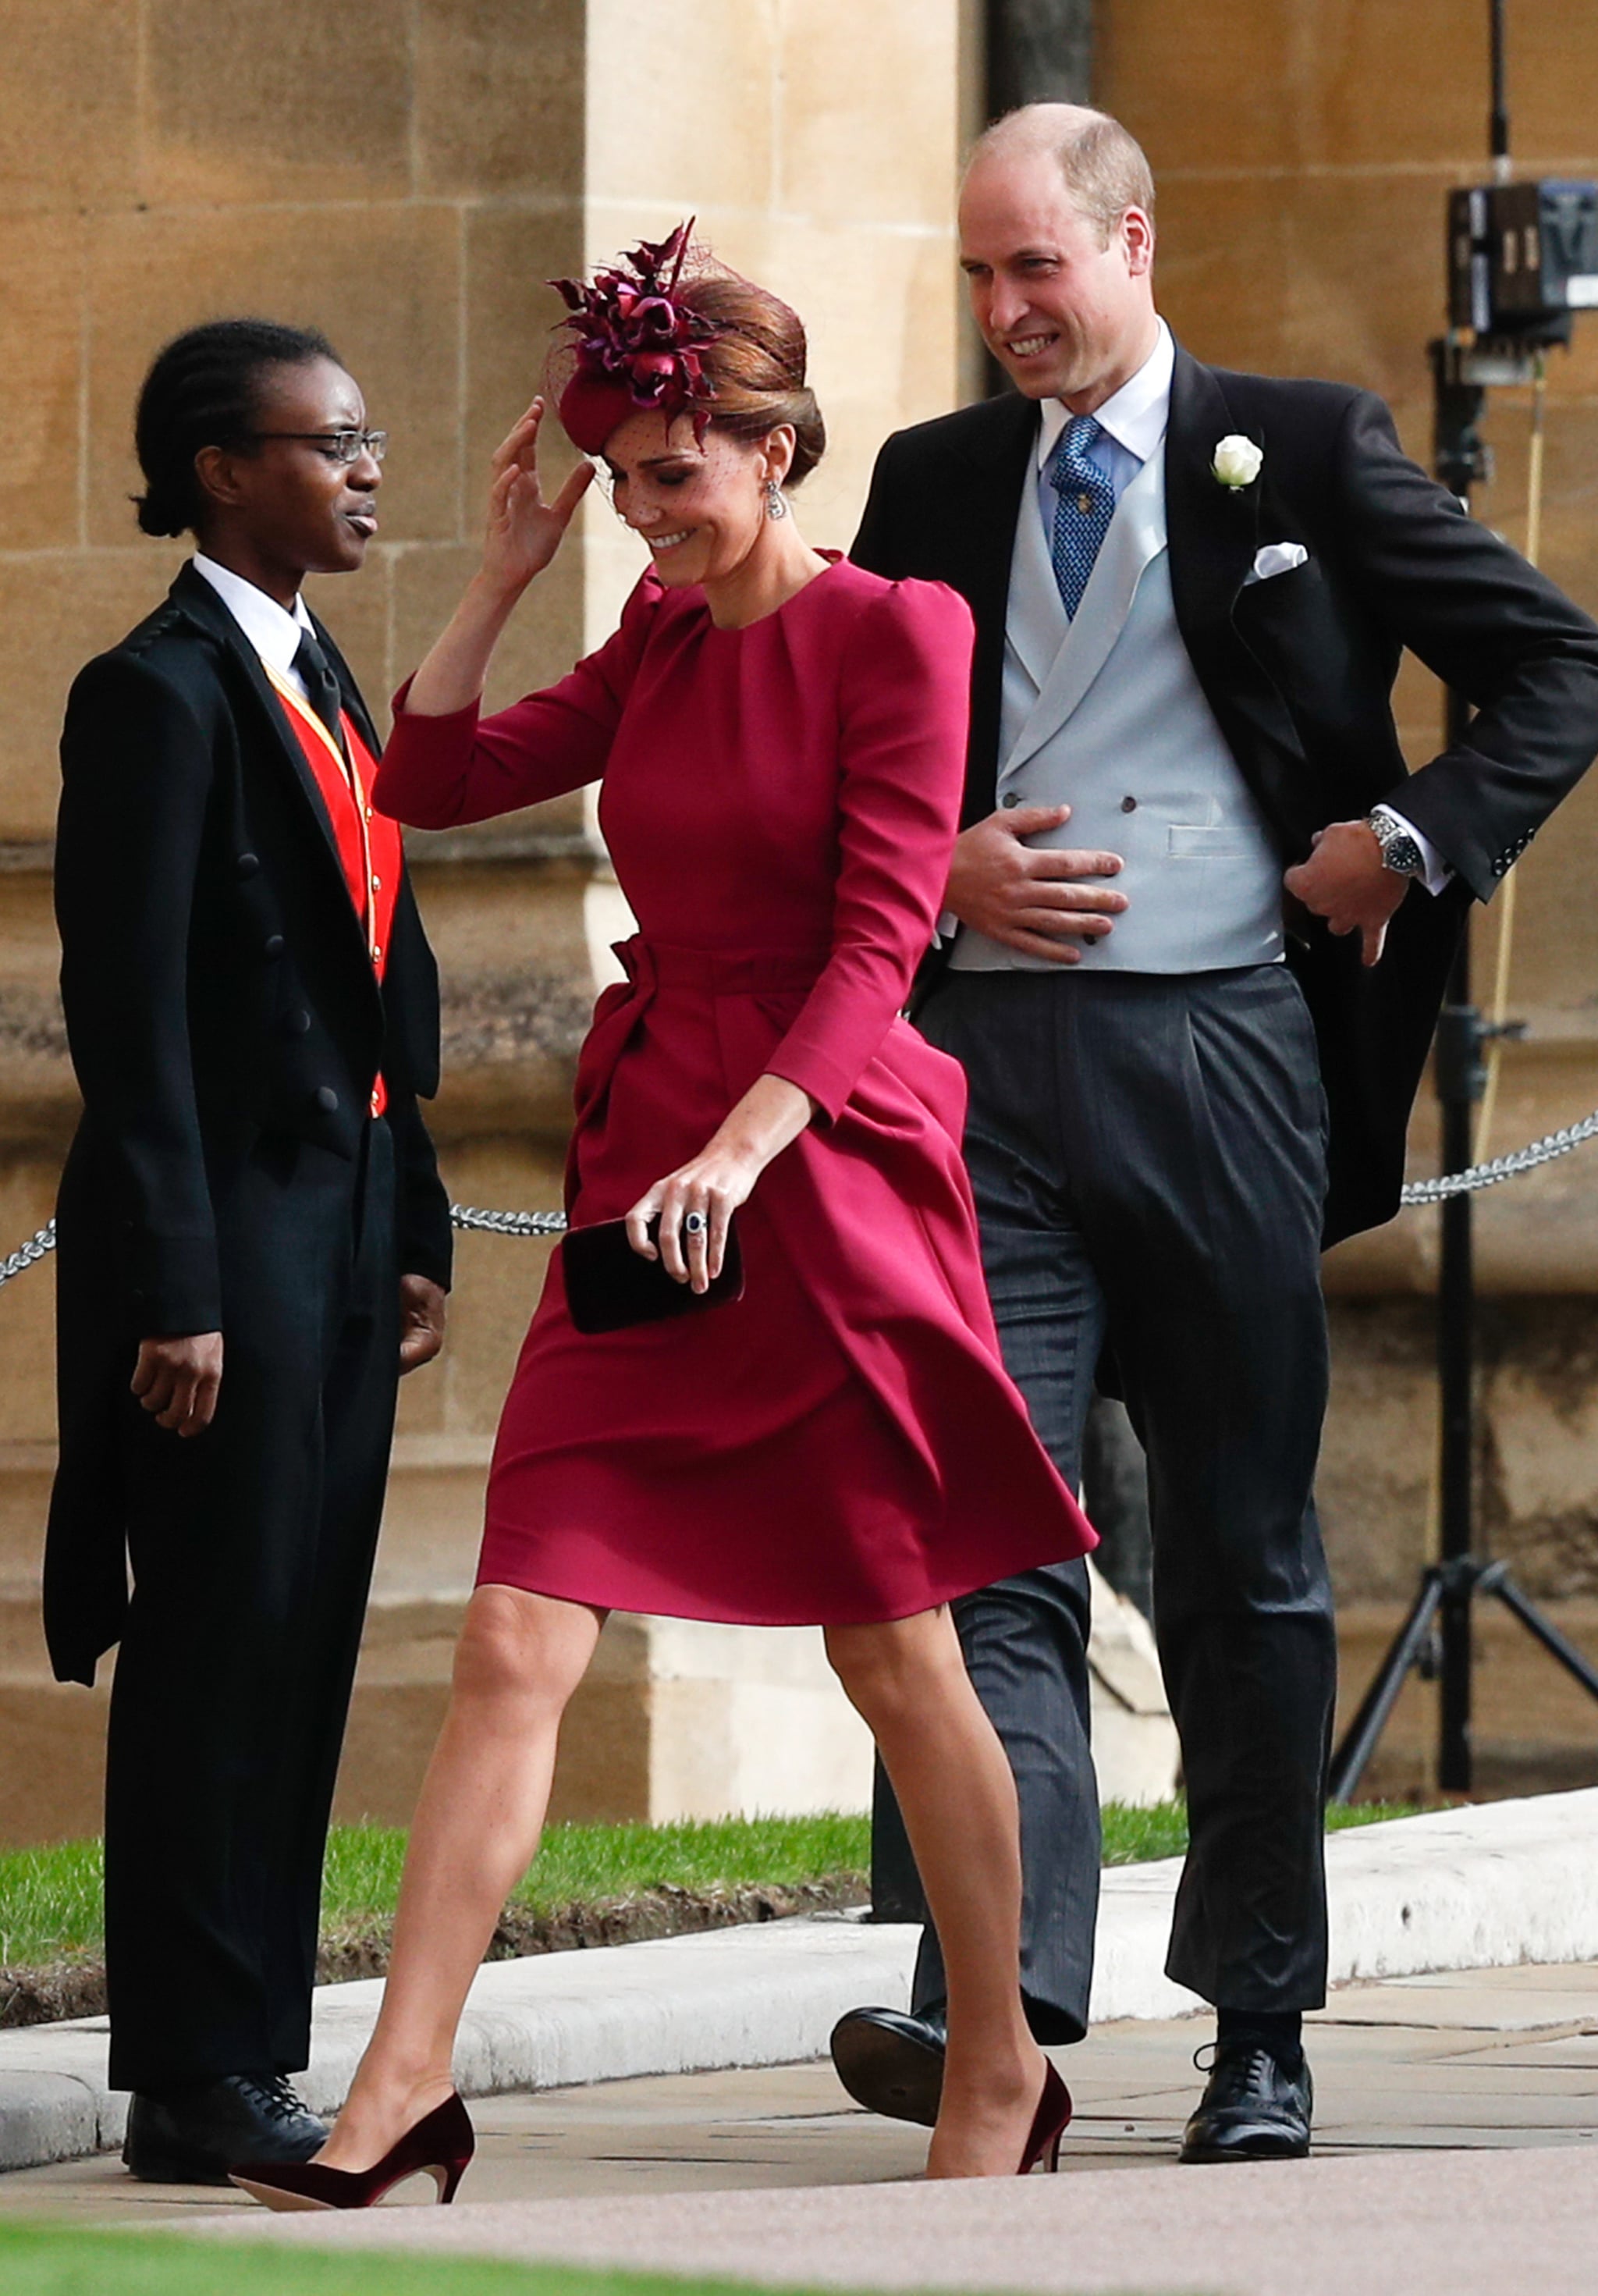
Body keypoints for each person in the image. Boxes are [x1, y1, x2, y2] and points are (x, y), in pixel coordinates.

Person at [229, 226, 1095, 2212]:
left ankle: (999, 2054)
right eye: (619, 479)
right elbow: (425, 780)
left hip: (826, 1166)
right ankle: (400, 2092)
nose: (643, 511)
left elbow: (886, 930)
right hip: (652, 1173)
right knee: (520, 1626)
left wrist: (748, 1146)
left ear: (775, 449)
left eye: (673, 474)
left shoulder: (903, 632)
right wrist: (506, 574)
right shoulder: (650, 643)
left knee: (897, 1650)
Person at [829, 104, 1598, 2164]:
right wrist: (941, 864)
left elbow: (1554, 660)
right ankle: (997, 1997)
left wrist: (1407, 843)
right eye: (978, 277)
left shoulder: (1311, 445)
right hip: (979, 1079)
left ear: (1132, 241)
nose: (1004, 315)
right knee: (987, 1526)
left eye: (1034, 271)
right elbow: (847, 749)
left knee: (1249, 1557)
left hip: (1232, 1051)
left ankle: (1261, 2020)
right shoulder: (929, 479)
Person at [46, 320, 453, 2184]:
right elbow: (125, 1018)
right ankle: (191, 2072)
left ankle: (248, 2050)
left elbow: (376, 971)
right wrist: (179, 1288)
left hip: (348, 1227)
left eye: (365, 442)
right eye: (333, 443)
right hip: (229, 1248)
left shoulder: (320, 672)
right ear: (223, 469)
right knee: (214, 1641)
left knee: (298, 1640)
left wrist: (422, 1215)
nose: (367, 470)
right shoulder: (159, 689)